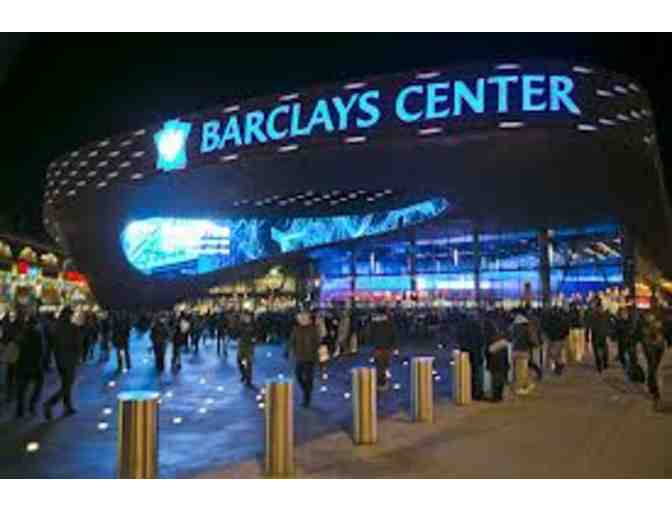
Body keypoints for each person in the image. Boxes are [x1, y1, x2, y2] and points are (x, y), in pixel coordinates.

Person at [44, 308, 81, 419]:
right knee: (67, 385)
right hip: (69, 359)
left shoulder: (56, 327)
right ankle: (50, 403)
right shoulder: (72, 328)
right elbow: (77, 344)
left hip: (59, 359)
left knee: (65, 384)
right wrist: (78, 356)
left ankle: (68, 406)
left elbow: (52, 344)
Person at [289, 310, 321, 407]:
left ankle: (307, 397)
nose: (302, 320)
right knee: (298, 375)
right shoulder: (296, 329)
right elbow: (292, 341)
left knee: (308, 377)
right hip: (299, 356)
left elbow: (318, 343)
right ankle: (306, 390)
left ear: (308, 319)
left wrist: (321, 358)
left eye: (304, 318)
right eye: (301, 318)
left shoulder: (313, 329)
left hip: (310, 357)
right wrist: (289, 351)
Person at [15, 314, 44, 418]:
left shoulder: (21, 335)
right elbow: (40, 351)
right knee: (38, 385)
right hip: (33, 365)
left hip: (22, 365)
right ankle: (31, 405)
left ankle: (20, 410)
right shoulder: (37, 335)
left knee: (22, 388)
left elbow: (16, 349)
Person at [362, 307, 399, 390]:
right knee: (384, 364)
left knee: (379, 365)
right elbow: (393, 333)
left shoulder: (374, 320)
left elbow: (368, 333)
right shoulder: (389, 320)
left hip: (378, 345)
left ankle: (380, 382)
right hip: (386, 345)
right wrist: (395, 346)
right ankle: (382, 382)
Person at [456, 311, 486, 400]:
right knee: (477, 373)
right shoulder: (478, 326)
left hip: (466, 353)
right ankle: (477, 393)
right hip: (476, 353)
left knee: (467, 374)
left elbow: (459, 338)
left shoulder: (463, 326)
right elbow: (481, 340)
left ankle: (467, 392)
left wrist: (463, 348)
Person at [641, 310, 666, 403]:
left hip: (658, 348)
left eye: (651, 316)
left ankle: (651, 384)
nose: (649, 318)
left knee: (654, 368)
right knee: (652, 368)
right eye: (648, 316)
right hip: (650, 349)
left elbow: (663, 335)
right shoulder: (644, 327)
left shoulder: (658, 324)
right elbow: (645, 339)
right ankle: (655, 390)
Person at [485, 318, 509, 402]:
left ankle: (496, 396)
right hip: (502, 361)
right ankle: (499, 395)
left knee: (495, 379)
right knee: (500, 378)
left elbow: (488, 351)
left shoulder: (489, 338)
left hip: (494, 361)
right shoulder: (501, 338)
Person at [587, 301, 610, 373]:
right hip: (595, 336)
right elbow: (588, 326)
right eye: (599, 308)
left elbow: (609, 325)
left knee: (605, 351)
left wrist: (609, 334)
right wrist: (587, 337)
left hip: (603, 336)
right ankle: (599, 366)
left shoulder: (606, 315)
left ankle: (605, 363)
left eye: (601, 308)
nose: (600, 309)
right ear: (597, 308)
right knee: (597, 352)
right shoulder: (592, 316)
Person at [236, 311, 257, 387]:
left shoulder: (253, 325)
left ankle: (248, 380)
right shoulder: (240, 324)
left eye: (247, 316)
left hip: (249, 346)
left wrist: (254, 339)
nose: (245, 318)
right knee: (239, 361)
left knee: (248, 363)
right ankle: (244, 374)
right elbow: (236, 333)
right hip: (241, 345)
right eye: (244, 316)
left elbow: (256, 333)